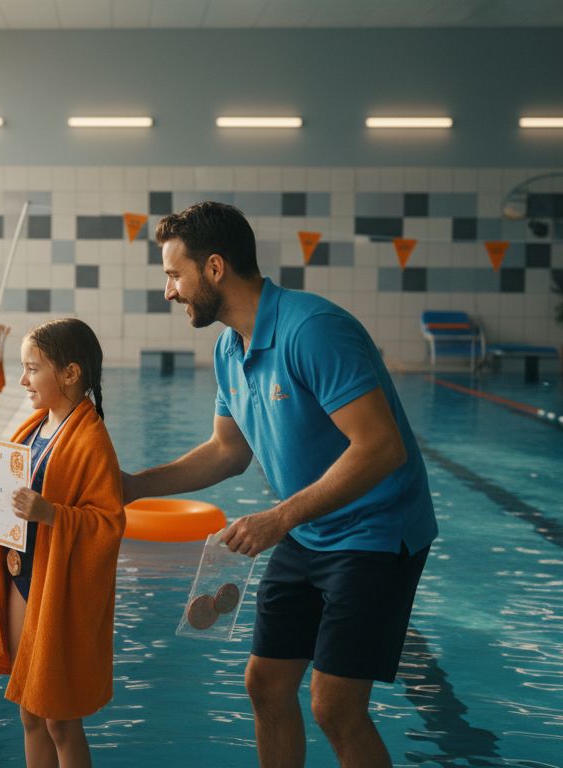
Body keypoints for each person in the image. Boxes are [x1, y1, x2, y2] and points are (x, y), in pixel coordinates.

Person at [123, 202, 437, 768]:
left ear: (214, 267)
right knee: (265, 685)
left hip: (376, 533)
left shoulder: (313, 331)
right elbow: (227, 451)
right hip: (310, 529)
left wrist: (279, 518)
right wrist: (131, 486)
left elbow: (381, 447)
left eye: (174, 274)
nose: (168, 291)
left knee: (335, 708)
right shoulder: (230, 349)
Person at [0, 318, 122, 768]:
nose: (22, 379)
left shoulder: (91, 439)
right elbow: (0, 496)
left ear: (70, 373)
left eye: (32, 369)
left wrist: (52, 514)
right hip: (22, 580)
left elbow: (108, 523)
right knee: (30, 712)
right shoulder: (35, 429)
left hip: (57, 588)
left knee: (60, 719)